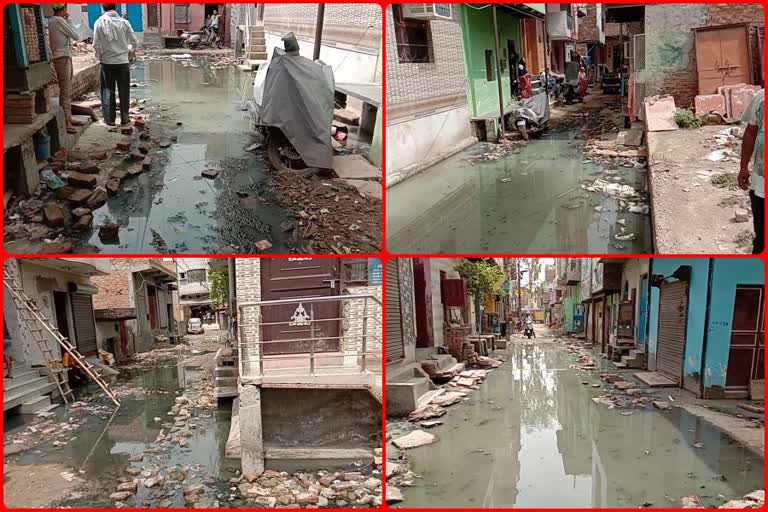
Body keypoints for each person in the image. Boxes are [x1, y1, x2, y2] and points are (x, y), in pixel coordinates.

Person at [92, 3, 136, 126]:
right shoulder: (124, 22)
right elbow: (134, 41)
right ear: (116, 7)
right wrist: (129, 50)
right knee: (124, 90)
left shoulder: (98, 22)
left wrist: (99, 56)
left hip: (107, 63)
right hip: (122, 62)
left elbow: (96, 44)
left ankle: (109, 119)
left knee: (107, 90)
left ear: (103, 8)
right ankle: (124, 118)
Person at [48, 4, 86, 134]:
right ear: (63, 9)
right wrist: (69, 19)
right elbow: (76, 35)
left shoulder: (52, 21)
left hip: (63, 57)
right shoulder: (58, 21)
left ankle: (68, 117)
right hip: (62, 58)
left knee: (67, 90)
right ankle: (66, 121)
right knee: (65, 90)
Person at [739, 89, 765, 254]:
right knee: (762, 238)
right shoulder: (761, 98)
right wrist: (743, 167)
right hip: (761, 183)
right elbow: (750, 131)